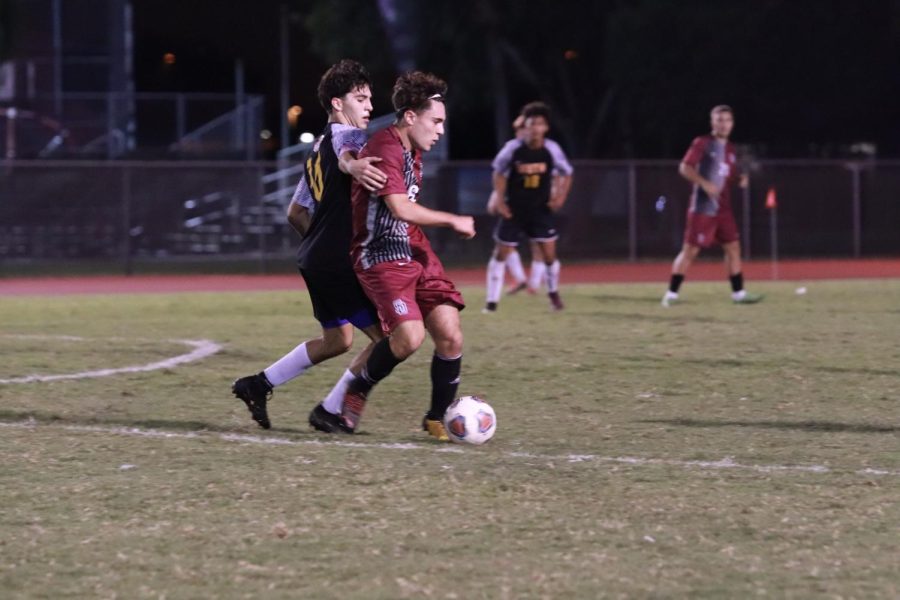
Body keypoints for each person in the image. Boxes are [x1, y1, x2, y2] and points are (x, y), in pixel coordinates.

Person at [231, 59, 388, 432]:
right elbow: (349, 158)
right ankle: (332, 410)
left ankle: (257, 384)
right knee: (390, 339)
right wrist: (353, 167)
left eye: (370, 99)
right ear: (337, 103)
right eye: (360, 98)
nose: (369, 106)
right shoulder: (346, 139)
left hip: (315, 259)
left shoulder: (318, 146)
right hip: (334, 260)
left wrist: (318, 246)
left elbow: (295, 212)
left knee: (337, 340)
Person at [338, 71, 476, 441]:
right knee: (409, 338)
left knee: (450, 334)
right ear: (411, 117)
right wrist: (453, 220)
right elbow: (399, 207)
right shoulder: (385, 148)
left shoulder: (410, 148)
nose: (441, 130)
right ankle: (357, 391)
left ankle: (436, 418)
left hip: (414, 248)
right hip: (380, 252)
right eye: (437, 121)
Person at [662, 105, 763, 307]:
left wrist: (739, 179)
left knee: (733, 248)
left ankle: (739, 294)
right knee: (690, 251)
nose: (723, 124)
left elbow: (729, 174)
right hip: (703, 209)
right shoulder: (703, 143)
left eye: (727, 120)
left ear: (732, 123)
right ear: (712, 122)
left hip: (723, 209)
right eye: (719, 120)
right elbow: (684, 167)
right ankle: (671, 295)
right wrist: (703, 182)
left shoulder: (731, 149)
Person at [483, 101, 574, 312]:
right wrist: (499, 199)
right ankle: (491, 303)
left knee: (549, 255)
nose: (534, 128)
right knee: (500, 253)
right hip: (514, 209)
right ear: (526, 126)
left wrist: (560, 198)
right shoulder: (513, 149)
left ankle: (553, 295)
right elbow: (498, 172)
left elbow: (567, 172)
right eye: (531, 124)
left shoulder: (551, 149)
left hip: (540, 210)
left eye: (539, 124)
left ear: (546, 127)